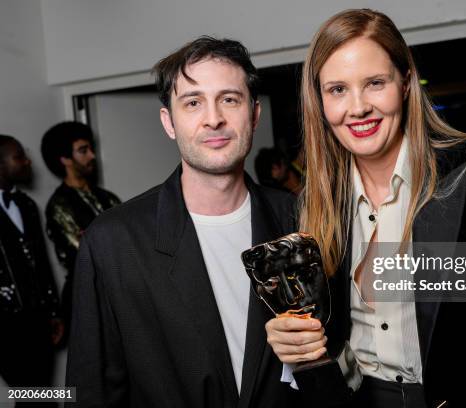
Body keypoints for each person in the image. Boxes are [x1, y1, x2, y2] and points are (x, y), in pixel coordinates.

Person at [264, 9, 466, 407]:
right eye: (337, 90)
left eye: (375, 83)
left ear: (404, 83)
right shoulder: (313, 205)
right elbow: (330, 344)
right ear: (319, 101)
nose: (358, 107)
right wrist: (297, 347)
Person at [66, 36, 299, 407]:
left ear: (254, 115)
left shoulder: (300, 217)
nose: (213, 118)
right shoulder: (112, 241)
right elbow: (91, 387)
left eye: (229, 99)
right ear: (169, 122)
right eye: (193, 102)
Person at [0, 135, 62, 405]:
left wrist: (54, 311)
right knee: (29, 392)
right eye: (18, 157)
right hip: (5, 325)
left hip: (38, 319)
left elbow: (42, 262)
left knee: (40, 394)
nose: (27, 161)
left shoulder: (27, 205)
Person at [41, 121, 121, 324]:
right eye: (83, 151)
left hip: (118, 292)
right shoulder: (59, 205)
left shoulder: (106, 197)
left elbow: (127, 240)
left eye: (90, 149)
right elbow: (87, 252)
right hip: (86, 298)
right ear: (65, 159)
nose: (92, 156)